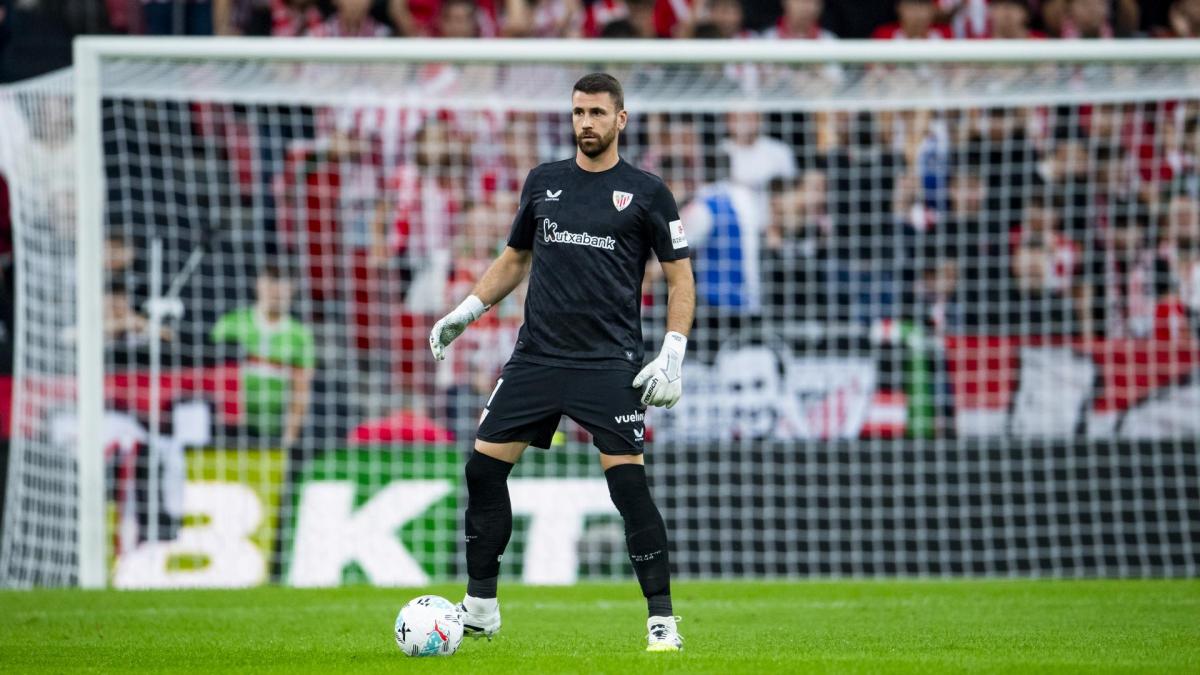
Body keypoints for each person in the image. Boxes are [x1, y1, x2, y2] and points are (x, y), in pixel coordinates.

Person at [428, 73, 695, 652]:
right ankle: (481, 608)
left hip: (608, 363)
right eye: (578, 112)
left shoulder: (647, 192)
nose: (586, 123)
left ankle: (662, 621)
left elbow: (680, 277)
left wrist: (672, 351)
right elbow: (515, 258)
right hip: (537, 358)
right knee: (482, 471)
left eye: (597, 113)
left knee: (628, 488)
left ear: (620, 119)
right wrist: (466, 311)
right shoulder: (543, 182)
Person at [211, 264, 315, 447]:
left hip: (273, 432)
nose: (276, 290)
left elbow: (301, 391)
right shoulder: (230, 324)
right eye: (271, 281)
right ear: (258, 285)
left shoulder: (300, 336)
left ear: (293, 289)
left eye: (283, 283)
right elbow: (209, 375)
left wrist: (289, 438)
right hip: (226, 428)